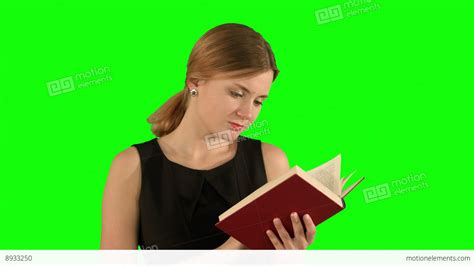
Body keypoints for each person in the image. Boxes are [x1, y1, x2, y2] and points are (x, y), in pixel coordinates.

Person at [100, 23, 316, 250]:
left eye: (258, 101)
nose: (248, 113)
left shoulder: (271, 161)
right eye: (236, 93)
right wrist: (233, 246)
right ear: (195, 83)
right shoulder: (131, 166)